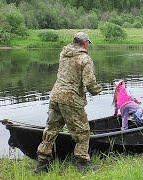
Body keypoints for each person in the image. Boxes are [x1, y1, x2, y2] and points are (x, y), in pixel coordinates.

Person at [34, 32, 102, 173]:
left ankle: (42, 163)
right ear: (84, 43)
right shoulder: (85, 59)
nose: (88, 45)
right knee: (83, 131)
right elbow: (89, 83)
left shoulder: (63, 54)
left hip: (55, 96)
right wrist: (97, 90)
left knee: (51, 129)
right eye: (88, 42)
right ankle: (83, 163)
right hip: (71, 99)